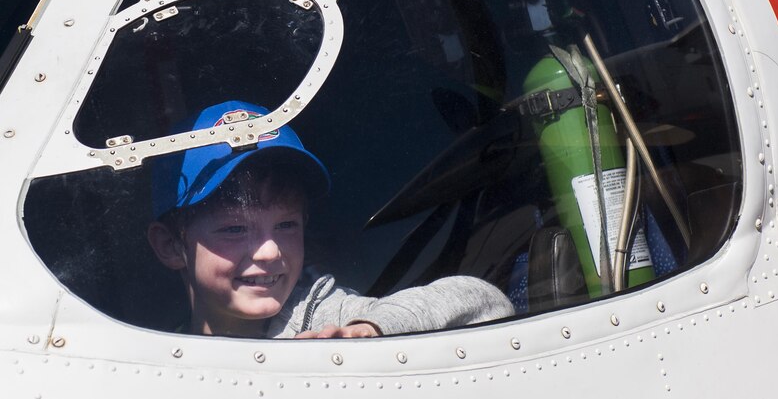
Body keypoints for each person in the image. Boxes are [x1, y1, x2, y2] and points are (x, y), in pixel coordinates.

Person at [147, 100, 515, 338]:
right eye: (234, 228)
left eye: (286, 225)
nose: (270, 251)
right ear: (170, 245)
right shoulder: (161, 351)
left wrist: (371, 329)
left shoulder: (322, 315)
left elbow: (484, 302)